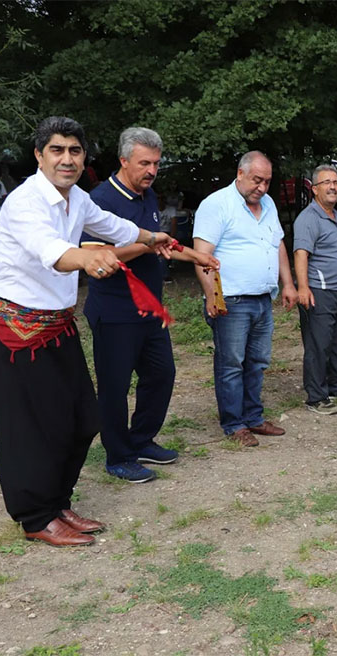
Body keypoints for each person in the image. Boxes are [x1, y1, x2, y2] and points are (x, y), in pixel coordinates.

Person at [0, 116, 173, 547]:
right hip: (18, 333)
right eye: (57, 150)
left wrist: (152, 237)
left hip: (58, 326)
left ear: (84, 157)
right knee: (33, 428)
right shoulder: (25, 202)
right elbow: (51, 250)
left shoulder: (77, 198)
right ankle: (36, 517)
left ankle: (58, 502)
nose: (66, 159)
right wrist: (88, 259)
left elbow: (112, 226)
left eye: (74, 150)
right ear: (39, 155)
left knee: (82, 418)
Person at [80, 127, 218, 483]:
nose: (152, 171)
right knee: (115, 386)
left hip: (150, 309)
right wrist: (146, 243)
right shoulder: (101, 199)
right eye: (144, 163)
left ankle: (141, 440)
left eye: (156, 163)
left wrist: (196, 257)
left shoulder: (148, 195)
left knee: (161, 374)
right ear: (124, 160)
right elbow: (95, 255)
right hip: (114, 311)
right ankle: (118, 456)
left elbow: (161, 243)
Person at [193, 151, 298, 446]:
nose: (262, 187)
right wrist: (212, 296)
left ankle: (253, 417)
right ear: (240, 174)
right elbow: (201, 256)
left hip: (263, 299)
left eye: (267, 182)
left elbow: (277, 244)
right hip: (231, 301)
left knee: (257, 362)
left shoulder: (268, 204)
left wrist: (288, 283)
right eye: (256, 180)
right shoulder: (217, 204)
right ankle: (233, 424)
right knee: (231, 364)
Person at [293, 165, 337, 414]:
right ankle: (316, 397)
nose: (333, 187)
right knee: (318, 346)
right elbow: (301, 254)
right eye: (327, 183)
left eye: (336, 182)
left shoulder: (335, 215)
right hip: (319, 292)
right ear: (314, 189)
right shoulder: (309, 218)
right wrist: (303, 287)